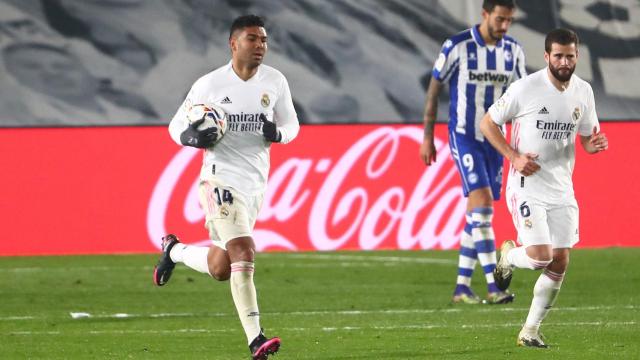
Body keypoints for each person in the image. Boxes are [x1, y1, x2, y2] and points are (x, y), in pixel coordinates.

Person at [153, 15, 299, 359]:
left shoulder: (275, 81)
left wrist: (277, 134)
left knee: (221, 267)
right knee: (244, 252)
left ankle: (173, 250)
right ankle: (255, 338)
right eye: (252, 39)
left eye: (263, 40)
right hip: (218, 179)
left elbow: (292, 124)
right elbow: (176, 126)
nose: (260, 46)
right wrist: (191, 136)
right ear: (233, 44)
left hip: (254, 184)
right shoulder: (210, 85)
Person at [483, 28, 608, 347]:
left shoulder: (584, 91)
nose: (564, 61)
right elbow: (488, 123)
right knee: (540, 256)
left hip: (562, 187)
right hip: (527, 183)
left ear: (577, 56)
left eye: (570, 55)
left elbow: (585, 140)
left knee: (560, 260)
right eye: (558, 55)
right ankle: (509, 256)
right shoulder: (526, 88)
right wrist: (513, 156)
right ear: (547, 56)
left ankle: (530, 331)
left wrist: (594, 145)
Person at [419, 0, 526, 304]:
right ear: (485, 14)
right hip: (464, 135)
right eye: (500, 19)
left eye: (509, 20)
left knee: (476, 215)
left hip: (496, 139)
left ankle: (462, 288)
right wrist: (427, 136)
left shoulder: (513, 50)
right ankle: (495, 286)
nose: (504, 26)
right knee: (483, 206)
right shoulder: (458, 45)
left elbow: (521, 96)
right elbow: (434, 87)